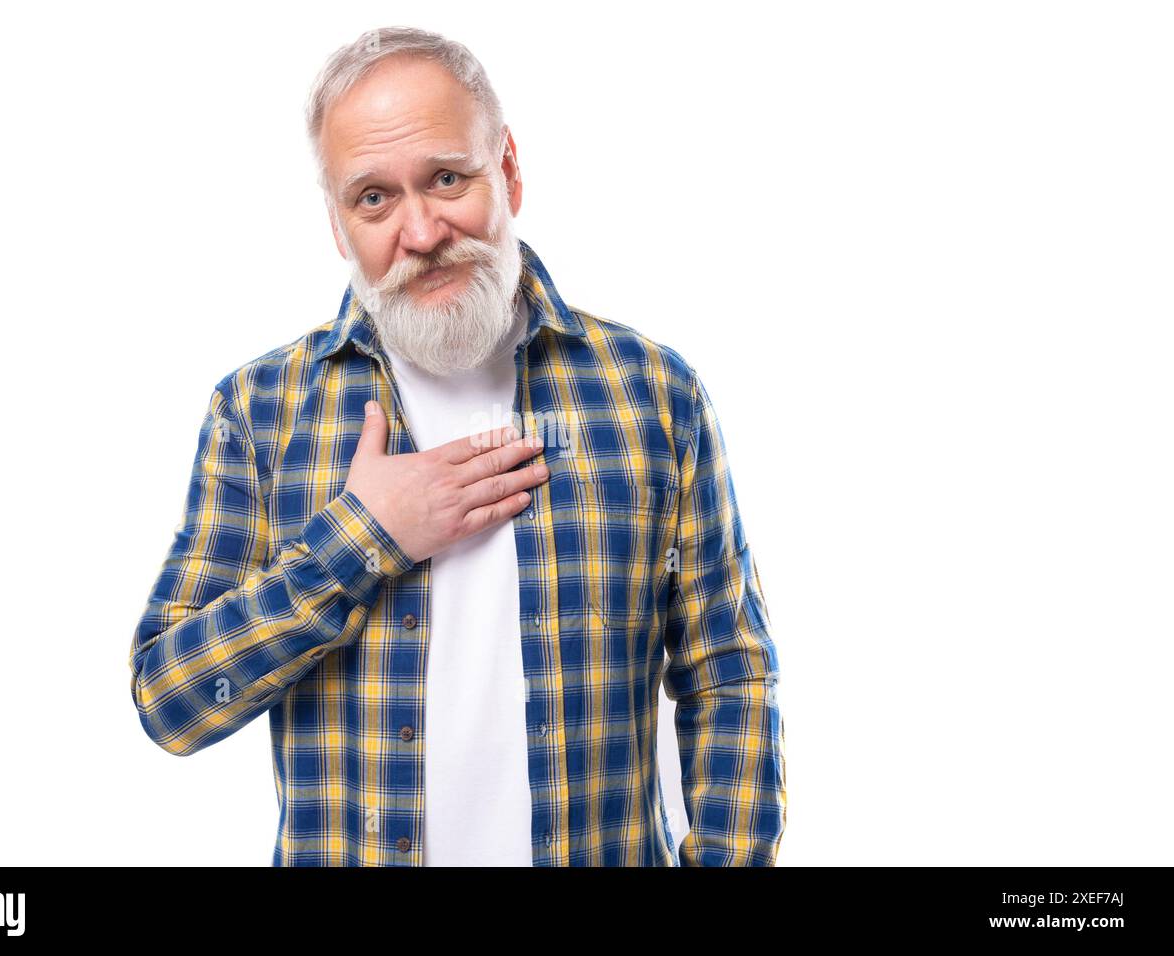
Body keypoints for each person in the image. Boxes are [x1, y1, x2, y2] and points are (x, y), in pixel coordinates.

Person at [127, 25, 786, 866]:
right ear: (338, 225)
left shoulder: (652, 395)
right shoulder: (259, 413)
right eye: (374, 199)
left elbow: (728, 672)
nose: (423, 230)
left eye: (446, 178)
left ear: (507, 169)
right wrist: (362, 539)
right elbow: (171, 703)